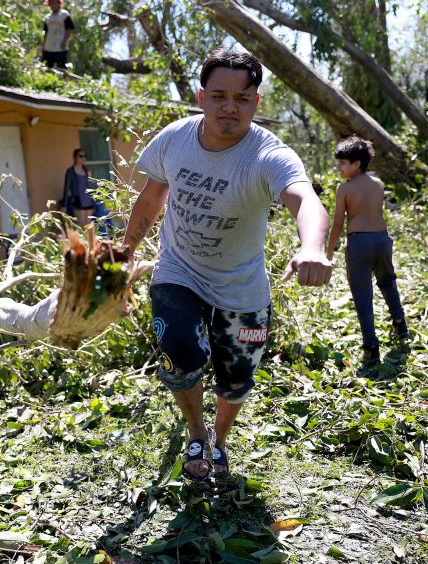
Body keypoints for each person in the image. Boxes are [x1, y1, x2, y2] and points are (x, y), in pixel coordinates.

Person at [122, 48, 332, 482]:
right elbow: (151, 197)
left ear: (256, 102)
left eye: (241, 98)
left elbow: (304, 199)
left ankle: (219, 438)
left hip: (242, 287)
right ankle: (196, 431)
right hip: (178, 270)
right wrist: (127, 247)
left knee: (236, 380)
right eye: (219, 96)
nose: (229, 107)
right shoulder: (175, 139)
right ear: (201, 97)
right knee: (181, 352)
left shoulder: (269, 155)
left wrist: (313, 247)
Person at [326, 136, 409, 369]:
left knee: (363, 296)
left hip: (359, 244)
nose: (339, 168)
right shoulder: (378, 183)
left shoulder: (344, 189)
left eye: (343, 163)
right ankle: (400, 325)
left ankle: (371, 348)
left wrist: (329, 252)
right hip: (382, 240)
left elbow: (338, 224)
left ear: (357, 164)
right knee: (388, 282)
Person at [62, 148, 97, 227]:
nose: (83, 158)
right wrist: (64, 205)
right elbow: (66, 188)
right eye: (80, 156)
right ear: (74, 158)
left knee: (89, 229)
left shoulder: (87, 171)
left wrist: (94, 203)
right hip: (78, 202)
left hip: (89, 202)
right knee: (81, 228)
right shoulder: (70, 171)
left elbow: (91, 188)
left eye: (84, 156)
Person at [41, 0, 74, 69]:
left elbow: (69, 29)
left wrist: (65, 41)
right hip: (48, 47)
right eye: (51, 4)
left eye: (55, 3)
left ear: (59, 3)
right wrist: (43, 46)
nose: (54, 5)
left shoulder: (64, 15)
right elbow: (46, 33)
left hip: (60, 46)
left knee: (61, 67)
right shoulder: (47, 18)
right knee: (47, 68)